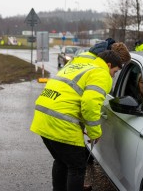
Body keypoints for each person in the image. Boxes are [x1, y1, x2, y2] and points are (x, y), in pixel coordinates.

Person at [30, 48, 130, 191]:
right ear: (108, 65)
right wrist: (95, 132)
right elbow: (89, 104)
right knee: (77, 167)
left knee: (61, 161)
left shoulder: (79, 64)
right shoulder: (101, 73)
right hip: (62, 123)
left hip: (43, 117)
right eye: (114, 72)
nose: (113, 76)